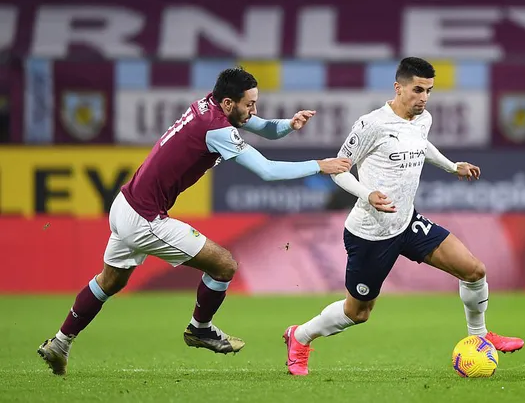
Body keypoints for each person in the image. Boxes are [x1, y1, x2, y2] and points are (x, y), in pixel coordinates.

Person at [37, 67, 351, 376]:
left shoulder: (211, 105)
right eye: (250, 104)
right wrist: (319, 166)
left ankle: (60, 343)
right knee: (224, 265)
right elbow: (267, 171)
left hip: (125, 205)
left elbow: (261, 126)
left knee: (111, 280)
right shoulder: (217, 129)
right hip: (145, 218)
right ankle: (200, 329)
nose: (254, 110)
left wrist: (288, 125)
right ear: (229, 103)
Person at [283, 57, 524, 376]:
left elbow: (422, 146)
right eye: (417, 89)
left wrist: (453, 166)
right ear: (398, 88)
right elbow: (339, 168)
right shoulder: (372, 124)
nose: (424, 97)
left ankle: (480, 336)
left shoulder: (423, 119)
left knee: (474, 270)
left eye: (429, 91)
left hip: (407, 222)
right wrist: (366, 193)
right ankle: (299, 337)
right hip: (371, 232)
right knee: (358, 313)